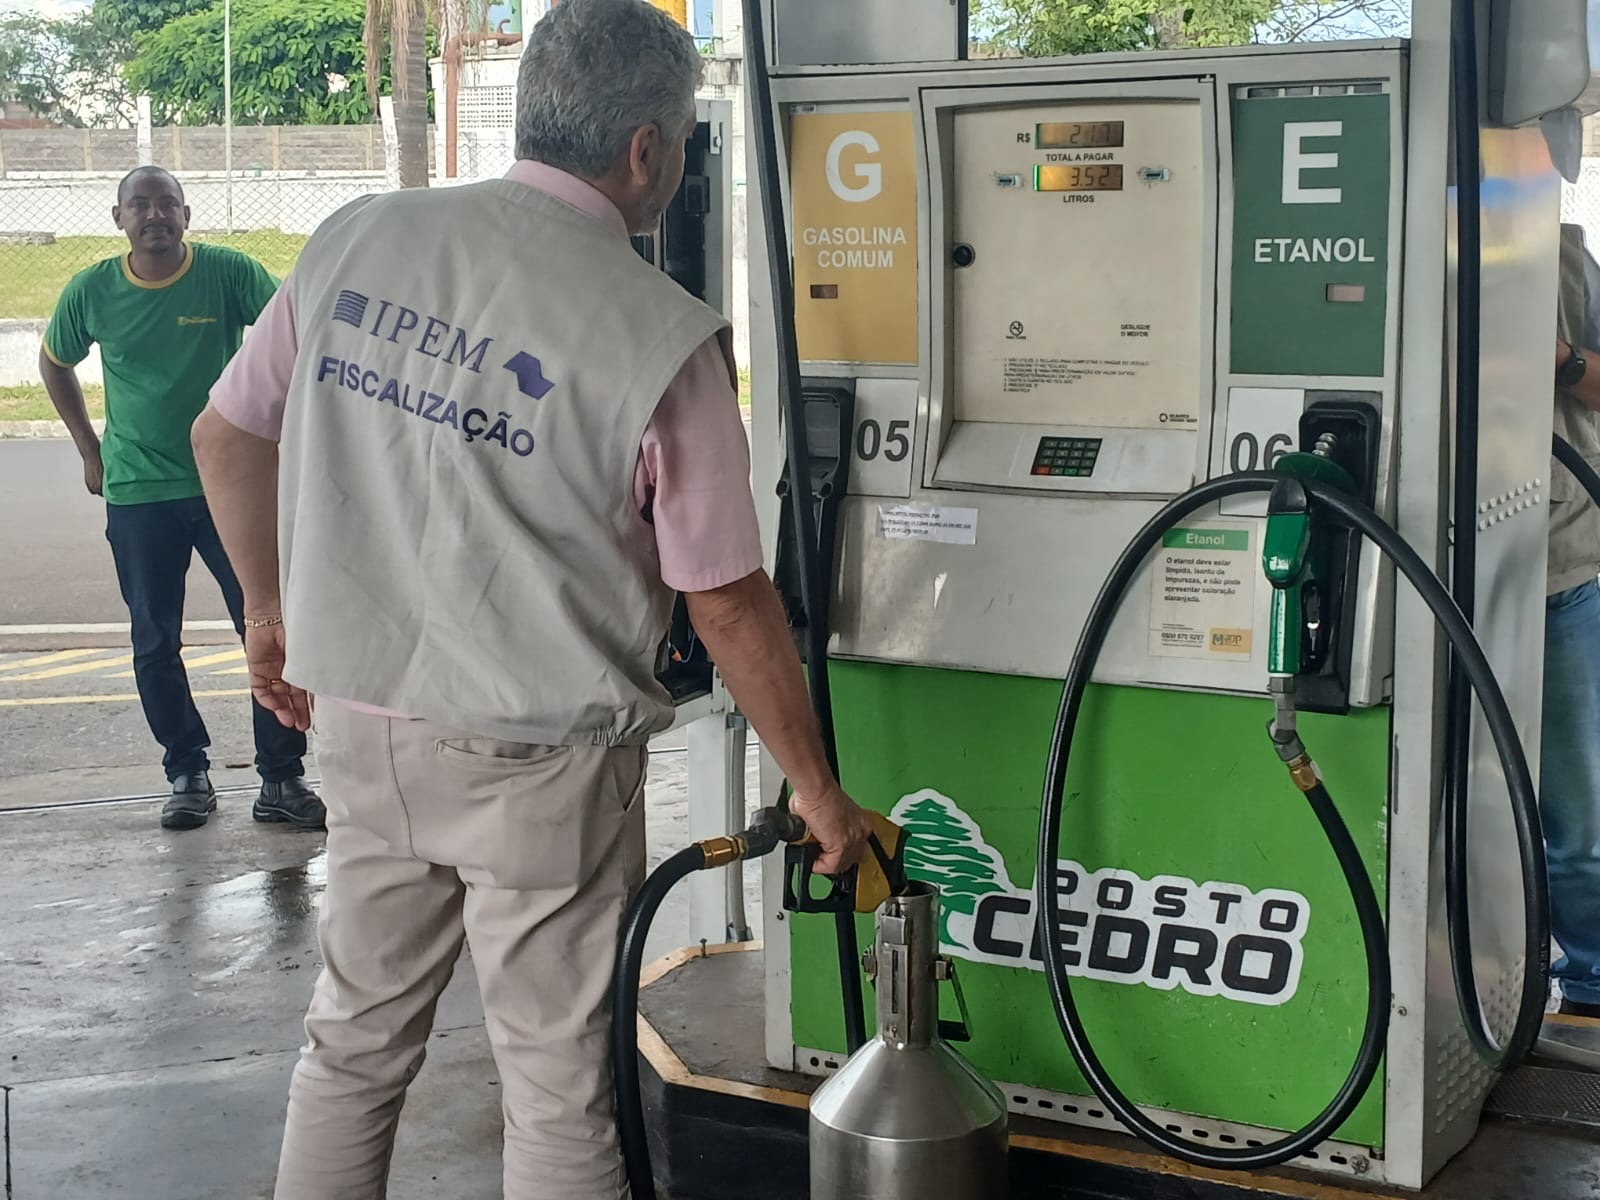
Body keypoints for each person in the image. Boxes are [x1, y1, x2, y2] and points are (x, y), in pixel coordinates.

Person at [189, 1, 874, 1195]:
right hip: (542, 765)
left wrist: (267, 612)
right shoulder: (662, 335)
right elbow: (723, 601)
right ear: (647, 150)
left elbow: (224, 434)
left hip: (364, 726)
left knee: (351, 1048)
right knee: (556, 1088)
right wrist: (816, 790)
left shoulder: (359, 238)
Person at [38, 165, 324, 833]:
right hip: (138, 490)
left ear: (187, 215)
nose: (155, 215)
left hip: (231, 487)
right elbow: (54, 362)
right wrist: (89, 449)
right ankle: (186, 772)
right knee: (154, 640)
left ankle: (281, 777)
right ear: (118, 219)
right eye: (140, 205)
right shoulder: (92, 290)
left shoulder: (227, 273)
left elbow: (297, 338)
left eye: (167, 203)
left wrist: (285, 432)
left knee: (266, 624)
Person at [1543, 220, 1600, 1019]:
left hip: (1558, 574)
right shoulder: (1378, 240)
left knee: (1578, 819)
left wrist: (1561, 361)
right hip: (1417, 580)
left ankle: (1588, 987)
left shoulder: (1567, 264)